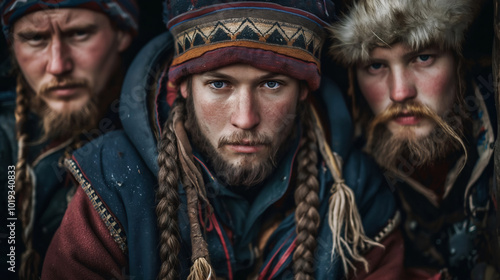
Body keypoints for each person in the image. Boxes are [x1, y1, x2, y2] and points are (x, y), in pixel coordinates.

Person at [42, 1, 403, 279]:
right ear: (181, 85)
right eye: (219, 84)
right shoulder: (113, 181)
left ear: (304, 91)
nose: (245, 118)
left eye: (271, 84)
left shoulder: (357, 191)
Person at [329, 0, 499, 279]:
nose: (399, 93)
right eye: (375, 65)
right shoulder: (345, 174)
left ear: (460, 58)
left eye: (423, 58)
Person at [0, 1, 138, 279]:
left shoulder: (164, 141)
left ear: (122, 34)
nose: (58, 65)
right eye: (35, 38)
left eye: (79, 34)